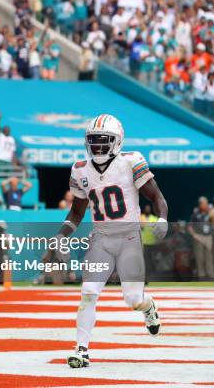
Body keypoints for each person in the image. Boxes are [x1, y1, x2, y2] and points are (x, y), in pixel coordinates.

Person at [60, 114, 168, 368]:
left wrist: (162, 219)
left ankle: (148, 306)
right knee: (88, 293)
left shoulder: (131, 162)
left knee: (133, 300)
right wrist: (60, 235)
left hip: (129, 238)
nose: (97, 147)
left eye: (103, 141)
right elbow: (77, 211)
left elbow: (157, 197)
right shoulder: (79, 169)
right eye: (93, 141)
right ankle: (81, 349)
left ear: (117, 142)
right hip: (100, 239)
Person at [187, 196, 214, 280]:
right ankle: (202, 277)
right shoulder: (196, 213)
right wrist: (194, 235)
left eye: (206, 203)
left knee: (209, 257)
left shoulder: (210, 212)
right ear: (200, 204)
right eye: (204, 203)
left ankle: (211, 276)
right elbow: (189, 226)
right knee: (199, 258)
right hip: (199, 237)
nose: (206, 205)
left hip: (208, 237)